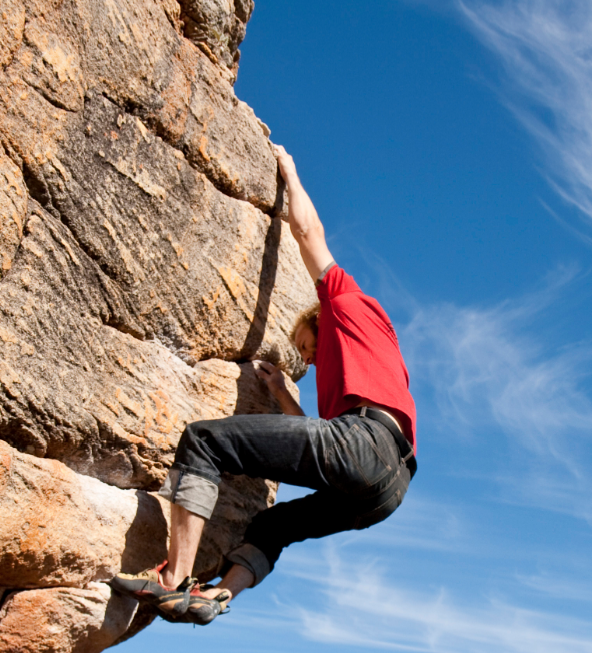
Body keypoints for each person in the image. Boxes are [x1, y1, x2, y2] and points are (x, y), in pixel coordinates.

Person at [110, 145, 417, 624]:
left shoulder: (345, 303)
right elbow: (319, 448)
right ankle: (217, 598)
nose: (308, 359)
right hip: (388, 487)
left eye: (306, 346)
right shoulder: (375, 357)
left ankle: (174, 580)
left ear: (322, 318)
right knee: (274, 525)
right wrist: (279, 393)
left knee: (204, 440)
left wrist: (291, 173)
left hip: (365, 445)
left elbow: (307, 232)